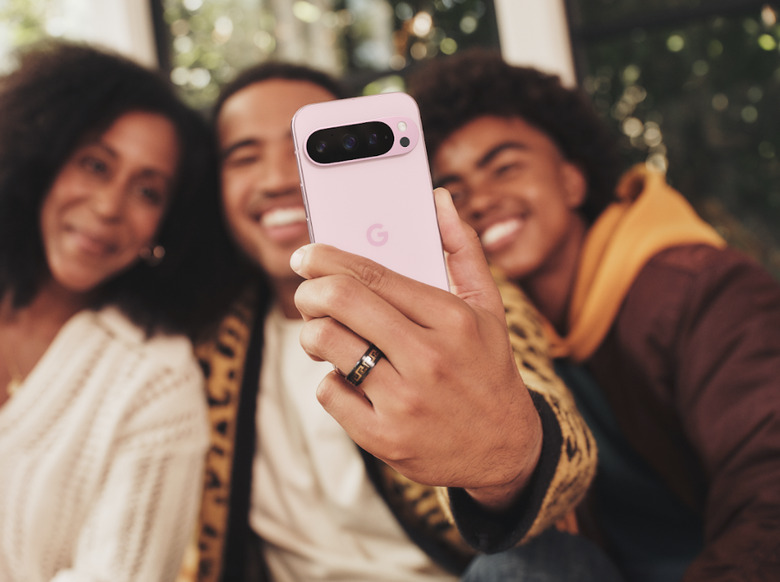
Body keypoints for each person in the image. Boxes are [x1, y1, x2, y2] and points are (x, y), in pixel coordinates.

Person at [186, 60, 626, 582]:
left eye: (300, 149)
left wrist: (505, 463)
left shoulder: (447, 290)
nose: (279, 178)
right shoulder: (207, 342)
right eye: (243, 157)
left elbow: (558, 437)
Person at [408, 48, 780, 582]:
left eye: (505, 168)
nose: (481, 201)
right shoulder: (508, 334)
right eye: (456, 191)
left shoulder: (702, 290)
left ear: (572, 181)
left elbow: (769, 492)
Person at [0, 40, 236, 582]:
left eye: (148, 192)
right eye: (94, 164)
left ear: (168, 228)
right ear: (42, 160)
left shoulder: (155, 378)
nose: (108, 207)